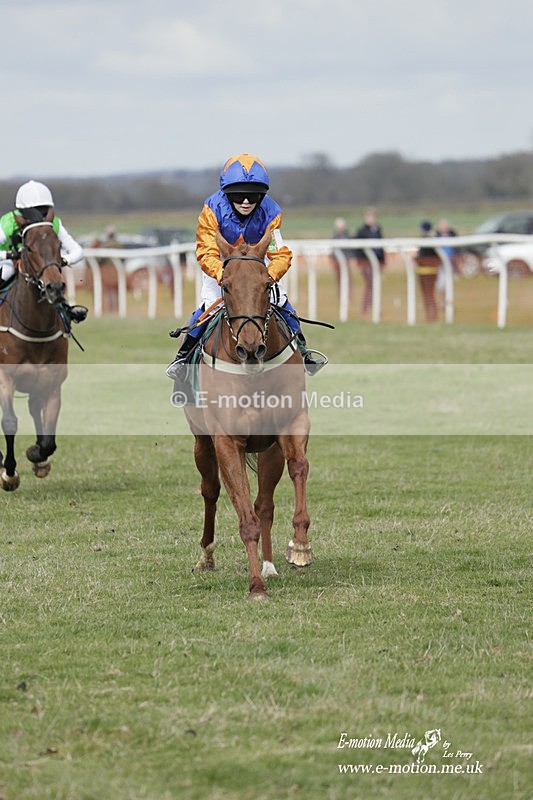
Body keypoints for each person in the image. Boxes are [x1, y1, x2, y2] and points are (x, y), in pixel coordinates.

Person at [166, 153, 326, 380]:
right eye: (239, 196)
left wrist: (267, 277)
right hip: (222, 267)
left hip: (258, 268)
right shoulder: (211, 209)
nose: (246, 202)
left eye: (253, 196)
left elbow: (279, 253)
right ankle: (182, 359)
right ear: (226, 193)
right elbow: (206, 250)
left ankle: (304, 352)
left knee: (282, 302)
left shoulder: (271, 212)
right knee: (208, 306)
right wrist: (224, 274)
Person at [0, 180, 87, 322]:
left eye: (42, 210)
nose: (39, 216)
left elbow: (77, 251)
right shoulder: (9, 223)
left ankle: (65, 312)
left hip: (39, 266)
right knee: (7, 271)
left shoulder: (54, 223)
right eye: (34, 211)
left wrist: (64, 261)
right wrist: (9, 255)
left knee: (53, 278)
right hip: (7, 262)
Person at [353, 207, 386, 315]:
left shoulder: (378, 229)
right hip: (366, 263)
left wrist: (383, 260)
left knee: (373, 285)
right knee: (371, 284)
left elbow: (381, 247)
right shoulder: (361, 231)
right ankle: (367, 308)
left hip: (377, 263)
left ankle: (372, 308)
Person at [415, 220, 440, 322]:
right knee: (427, 295)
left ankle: (432, 316)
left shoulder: (432, 240)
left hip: (429, 271)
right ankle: (429, 316)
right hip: (423, 271)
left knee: (429, 295)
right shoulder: (429, 239)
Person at [435, 217, 457, 309]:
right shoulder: (436, 236)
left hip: (451, 262)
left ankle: (449, 303)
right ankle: (442, 302)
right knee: (441, 284)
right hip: (441, 264)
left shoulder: (453, 235)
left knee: (449, 284)